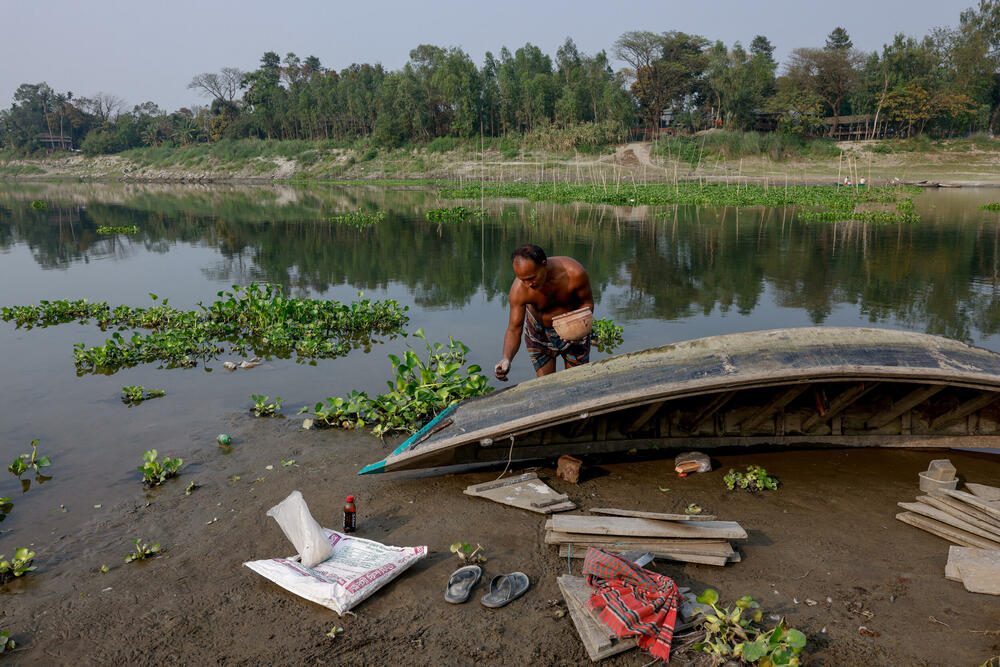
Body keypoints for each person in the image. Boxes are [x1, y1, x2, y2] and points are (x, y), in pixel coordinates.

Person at [494, 244, 595, 381]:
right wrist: (506, 358)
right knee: (545, 384)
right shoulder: (519, 290)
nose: (528, 284)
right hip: (540, 333)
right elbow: (514, 329)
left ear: (544, 264)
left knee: (577, 381)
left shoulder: (574, 273)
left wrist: (578, 329)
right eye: (522, 279)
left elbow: (587, 303)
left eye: (531, 278)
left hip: (573, 327)